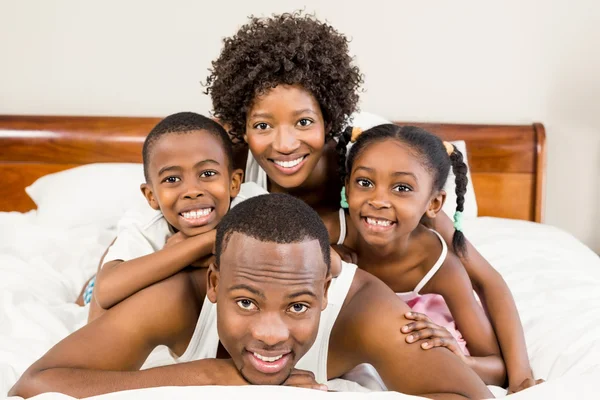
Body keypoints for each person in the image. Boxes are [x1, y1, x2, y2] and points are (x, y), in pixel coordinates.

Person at [206, 12, 539, 392]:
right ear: (243, 126)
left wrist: (522, 375)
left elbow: (484, 277)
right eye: (263, 126)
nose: (284, 145)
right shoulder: (232, 166)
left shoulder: (374, 175)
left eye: (303, 123)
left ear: (328, 119)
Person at [10, 194, 492, 399]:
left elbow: (467, 396)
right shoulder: (177, 300)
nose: (269, 334)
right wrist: (213, 374)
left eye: (299, 307)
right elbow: (34, 383)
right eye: (245, 303)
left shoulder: (365, 310)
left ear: (325, 292)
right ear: (215, 286)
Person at [338, 124, 543, 389]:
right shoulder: (331, 227)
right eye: (365, 183)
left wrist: (521, 378)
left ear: (434, 204)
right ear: (347, 184)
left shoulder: (439, 258)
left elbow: (487, 281)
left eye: (401, 188)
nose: (378, 200)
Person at [78, 111, 253, 322]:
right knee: (93, 289)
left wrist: (198, 243)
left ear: (234, 183)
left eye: (207, 174)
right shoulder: (145, 222)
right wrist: (205, 242)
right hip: (116, 278)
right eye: (172, 178)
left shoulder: (251, 203)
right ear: (151, 196)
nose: (192, 190)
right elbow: (105, 292)